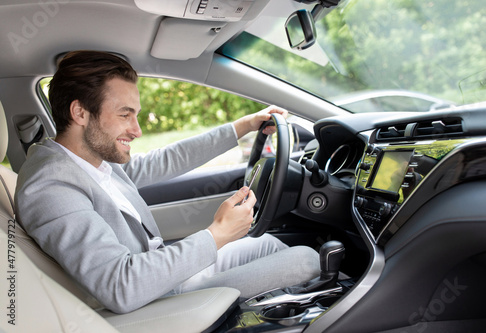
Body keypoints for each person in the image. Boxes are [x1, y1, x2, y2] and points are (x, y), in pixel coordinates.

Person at [15, 51, 320, 314]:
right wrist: (217, 234)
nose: (136, 130)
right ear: (80, 112)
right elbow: (120, 287)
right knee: (306, 260)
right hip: (154, 301)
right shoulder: (51, 187)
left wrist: (241, 126)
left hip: (161, 275)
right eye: (125, 115)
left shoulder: (87, 161)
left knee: (268, 244)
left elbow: (165, 160)